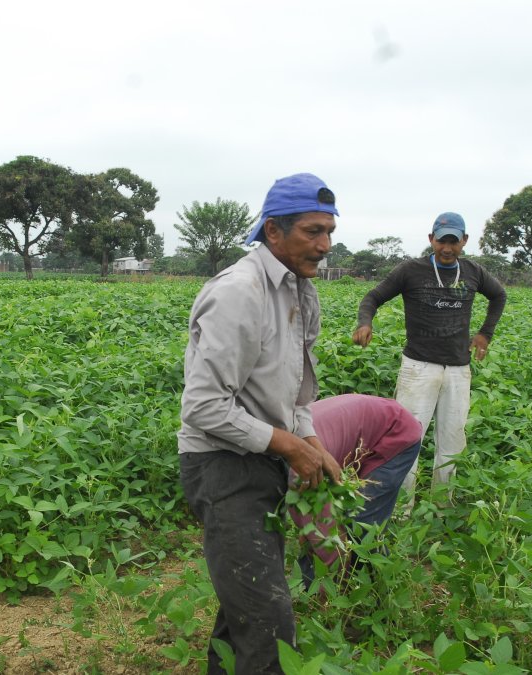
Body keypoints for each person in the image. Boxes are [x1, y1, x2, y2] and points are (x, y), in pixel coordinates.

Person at [179, 173, 342, 674]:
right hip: (222, 466)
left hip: (263, 460)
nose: (324, 246)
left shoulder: (300, 292)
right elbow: (203, 407)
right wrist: (289, 445)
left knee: (246, 609)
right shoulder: (239, 292)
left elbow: (291, 391)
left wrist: (309, 437)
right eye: (312, 232)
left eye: (329, 232)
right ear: (273, 231)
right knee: (269, 624)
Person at [352, 212, 507, 507]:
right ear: (431, 239)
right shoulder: (412, 271)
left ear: (464, 241)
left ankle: (442, 506)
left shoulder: (473, 272)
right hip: (419, 368)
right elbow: (373, 297)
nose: (447, 248)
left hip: (459, 369)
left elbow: (499, 296)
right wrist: (365, 323)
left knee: (452, 440)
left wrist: (485, 333)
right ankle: (401, 509)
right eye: (441, 241)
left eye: (453, 241)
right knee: (407, 438)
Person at [292, 394, 423, 583]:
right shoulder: (277, 444)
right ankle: (312, 588)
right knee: (320, 529)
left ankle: (371, 592)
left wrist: (328, 596)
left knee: (361, 524)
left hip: (397, 434)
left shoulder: (300, 472)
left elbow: (331, 543)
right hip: (371, 422)